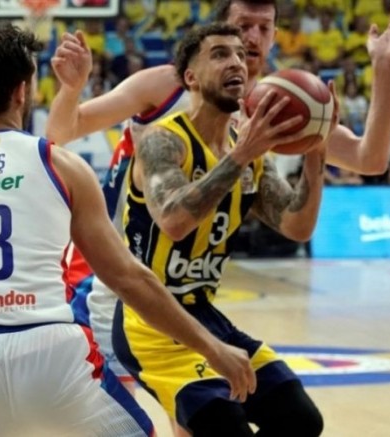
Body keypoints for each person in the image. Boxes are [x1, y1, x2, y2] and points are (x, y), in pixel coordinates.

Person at [0, 22, 255, 437]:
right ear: (22, 90)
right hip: (52, 355)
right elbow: (128, 278)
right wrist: (212, 347)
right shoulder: (59, 164)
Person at [47, 0, 390, 395]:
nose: (253, 37)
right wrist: (71, 89)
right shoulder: (167, 84)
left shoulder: (279, 103)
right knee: (120, 417)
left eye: (264, 28)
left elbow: (369, 159)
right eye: (243, 26)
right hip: (114, 276)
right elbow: (63, 131)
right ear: (219, 30)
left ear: (275, 36)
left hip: (187, 290)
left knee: (197, 412)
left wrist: (384, 67)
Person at [114, 23, 330, 435]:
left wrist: (316, 152)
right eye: (219, 54)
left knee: (300, 419)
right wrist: (242, 155)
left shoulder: (247, 150)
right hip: (151, 324)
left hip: (205, 314)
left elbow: (297, 225)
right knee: (226, 426)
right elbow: (174, 221)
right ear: (191, 77)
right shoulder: (163, 141)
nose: (237, 62)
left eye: (240, 55)